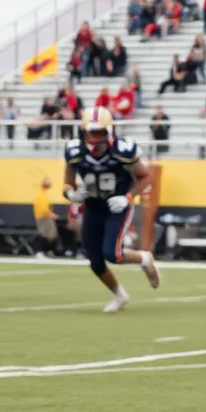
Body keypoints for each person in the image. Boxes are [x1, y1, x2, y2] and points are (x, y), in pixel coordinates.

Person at [63, 107, 161, 312]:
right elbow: (67, 185)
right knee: (95, 260)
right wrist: (72, 195)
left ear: (110, 132)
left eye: (100, 132)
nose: (96, 139)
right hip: (93, 205)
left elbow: (145, 177)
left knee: (112, 253)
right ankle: (119, 295)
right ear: (83, 132)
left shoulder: (122, 151)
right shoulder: (74, 152)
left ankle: (144, 258)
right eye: (92, 132)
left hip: (117, 205)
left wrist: (127, 197)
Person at [32, 176, 59, 259]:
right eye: (47, 182)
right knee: (43, 234)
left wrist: (51, 214)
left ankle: (45, 251)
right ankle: (39, 252)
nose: (49, 184)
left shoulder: (44, 194)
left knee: (51, 235)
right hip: (43, 217)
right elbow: (43, 208)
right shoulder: (40, 194)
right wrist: (50, 215)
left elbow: (47, 207)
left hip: (46, 217)